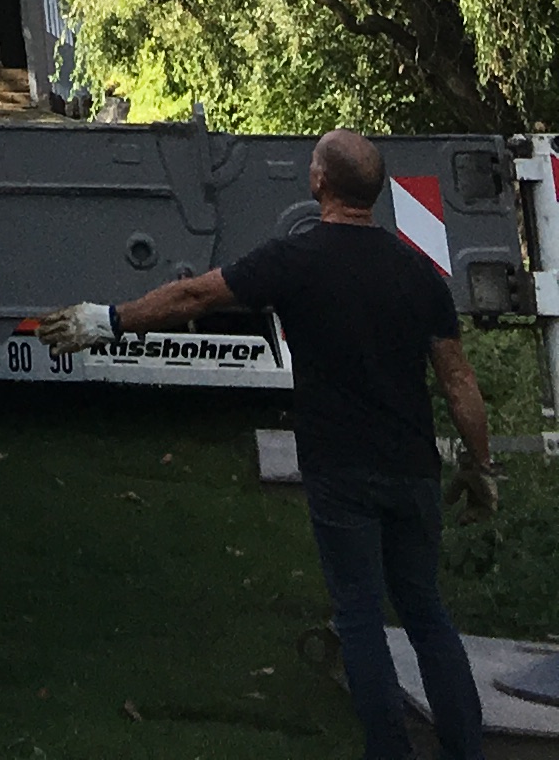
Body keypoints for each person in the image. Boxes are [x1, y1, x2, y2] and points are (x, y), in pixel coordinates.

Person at [44, 126, 494, 760]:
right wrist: (481, 463)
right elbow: (458, 378)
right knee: (426, 614)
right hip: (411, 469)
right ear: (378, 190)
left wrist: (108, 320)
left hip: (340, 470)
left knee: (361, 618)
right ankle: (467, 751)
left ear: (318, 184)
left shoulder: (295, 259)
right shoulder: (416, 273)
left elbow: (196, 293)